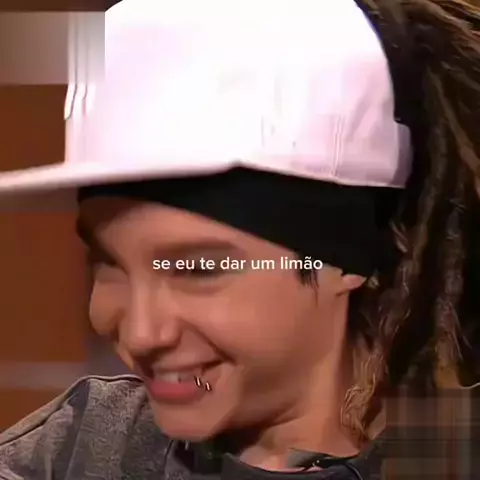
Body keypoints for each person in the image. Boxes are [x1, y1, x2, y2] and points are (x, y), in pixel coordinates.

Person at [0, 0, 479, 478]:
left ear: (345, 257)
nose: (142, 333)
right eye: (108, 262)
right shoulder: (66, 459)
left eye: (198, 268)